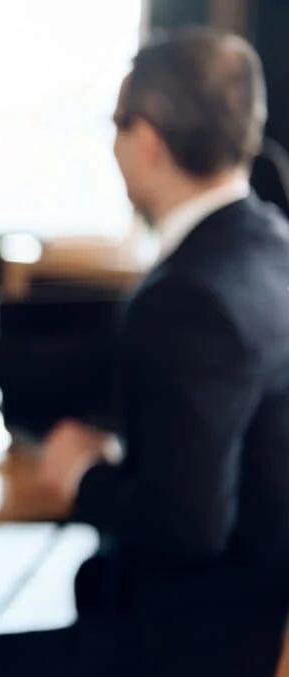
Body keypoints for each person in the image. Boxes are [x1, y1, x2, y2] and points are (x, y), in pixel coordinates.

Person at [34, 28, 289, 677]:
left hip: (202, 641)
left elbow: (187, 524)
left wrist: (82, 476)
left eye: (115, 126)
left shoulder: (192, 292)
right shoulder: (270, 243)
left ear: (146, 140)